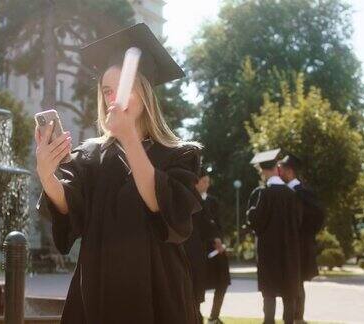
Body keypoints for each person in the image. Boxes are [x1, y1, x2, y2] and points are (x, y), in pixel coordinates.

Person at [36, 23, 202, 324]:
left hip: (158, 292)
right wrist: (47, 175)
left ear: (145, 91)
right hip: (98, 292)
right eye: (107, 91)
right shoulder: (91, 155)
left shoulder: (180, 154)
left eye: (122, 88)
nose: (114, 98)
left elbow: (162, 206)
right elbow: (69, 207)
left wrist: (128, 138)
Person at [246, 148, 302, 324]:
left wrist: (250, 212)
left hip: (269, 253)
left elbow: (256, 220)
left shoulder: (264, 193)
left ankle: (268, 321)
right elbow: (299, 222)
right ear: (277, 168)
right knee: (288, 293)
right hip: (289, 251)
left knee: (269, 293)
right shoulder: (292, 194)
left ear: (263, 170)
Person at [278, 154, 325, 323]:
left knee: (297, 283)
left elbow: (318, 216)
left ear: (289, 171)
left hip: (300, 246)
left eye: (280, 169)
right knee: (290, 283)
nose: (278, 172)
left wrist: (303, 233)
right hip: (286, 245)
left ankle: (298, 317)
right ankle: (292, 318)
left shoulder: (303, 193)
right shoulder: (281, 192)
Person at [196, 167, 231, 324]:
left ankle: (214, 316)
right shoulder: (191, 201)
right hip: (200, 249)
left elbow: (218, 224)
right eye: (204, 181)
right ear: (195, 183)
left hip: (217, 249)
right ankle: (196, 315)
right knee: (197, 284)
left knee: (223, 281)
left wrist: (219, 241)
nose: (207, 184)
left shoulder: (213, 201)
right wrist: (213, 239)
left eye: (208, 181)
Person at [187, 166, 220, 323]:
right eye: (204, 181)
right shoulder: (193, 198)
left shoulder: (189, 195)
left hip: (195, 250)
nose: (207, 184)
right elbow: (207, 225)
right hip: (194, 250)